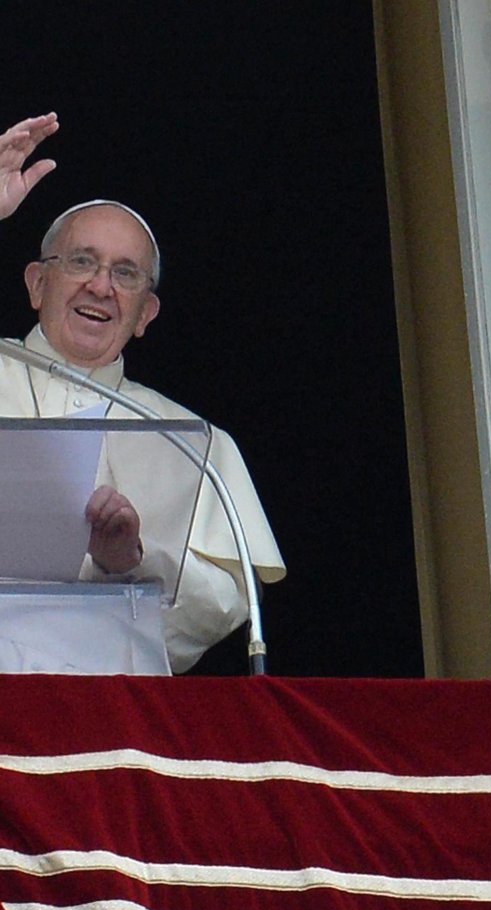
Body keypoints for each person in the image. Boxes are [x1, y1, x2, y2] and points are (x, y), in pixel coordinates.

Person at [0, 113, 285, 673]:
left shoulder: (192, 442)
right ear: (37, 283)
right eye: (81, 261)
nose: (101, 285)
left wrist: (131, 561)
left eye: (125, 273)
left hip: (113, 718)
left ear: (144, 315)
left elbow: (226, 604)